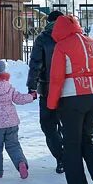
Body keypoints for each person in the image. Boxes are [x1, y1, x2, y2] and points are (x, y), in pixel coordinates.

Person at [46, 13, 93, 184]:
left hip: (72, 97)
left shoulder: (62, 46)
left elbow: (56, 79)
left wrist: (51, 106)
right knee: (87, 137)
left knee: (71, 144)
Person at [28, 10, 65, 173]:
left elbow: (36, 63)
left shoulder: (43, 38)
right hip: (70, 88)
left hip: (48, 88)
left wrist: (32, 86)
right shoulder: (71, 36)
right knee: (69, 124)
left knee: (49, 125)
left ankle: (61, 158)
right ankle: (71, 156)